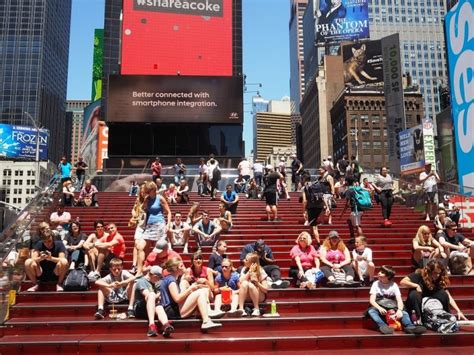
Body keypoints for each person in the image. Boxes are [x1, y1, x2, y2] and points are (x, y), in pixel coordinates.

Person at [160, 257, 223, 331]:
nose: (184, 267)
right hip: (172, 312)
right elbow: (177, 299)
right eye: (182, 265)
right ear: (176, 268)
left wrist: (193, 287)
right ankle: (206, 321)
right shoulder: (171, 280)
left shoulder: (172, 279)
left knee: (190, 286)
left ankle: (206, 314)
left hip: (174, 309)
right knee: (200, 293)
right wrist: (191, 289)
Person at [400, 259, 468, 323]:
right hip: (418, 302)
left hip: (431, 303)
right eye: (435, 273)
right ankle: (418, 318)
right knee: (414, 294)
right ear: (429, 271)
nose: (437, 275)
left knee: (443, 294)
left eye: (439, 273)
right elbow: (403, 282)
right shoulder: (419, 274)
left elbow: (448, 296)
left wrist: (458, 311)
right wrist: (416, 285)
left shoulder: (439, 279)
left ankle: (445, 316)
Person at [367, 265, 427, 335]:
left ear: (388, 276)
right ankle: (383, 326)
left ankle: (410, 327)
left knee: (404, 313)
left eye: (382, 272)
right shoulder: (375, 284)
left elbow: (399, 300)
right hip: (379, 306)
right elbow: (372, 300)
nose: (379, 273)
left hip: (392, 306)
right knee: (371, 311)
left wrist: (399, 310)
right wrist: (379, 308)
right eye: (379, 271)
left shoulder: (394, 285)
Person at [136, 181, 172, 274]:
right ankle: (139, 272)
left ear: (153, 189)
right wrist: (145, 201)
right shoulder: (147, 199)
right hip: (149, 226)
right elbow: (143, 209)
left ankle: (160, 271)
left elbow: (168, 212)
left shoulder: (160, 198)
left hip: (159, 224)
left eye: (148, 190)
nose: (147, 192)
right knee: (140, 247)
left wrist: (168, 225)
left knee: (158, 249)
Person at [24, 222, 68, 292]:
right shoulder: (39, 244)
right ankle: (35, 284)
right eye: (45, 241)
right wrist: (41, 258)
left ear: (53, 238)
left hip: (55, 272)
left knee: (64, 261)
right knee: (28, 261)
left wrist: (51, 258)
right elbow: (32, 259)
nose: (48, 243)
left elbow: (62, 259)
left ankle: (59, 284)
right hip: (41, 272)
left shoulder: (59, 244)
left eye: (49, 241)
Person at [134, 265, 175, 337]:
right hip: (139, 309)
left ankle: (166, 325)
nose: (159, 280)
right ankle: (151, 325)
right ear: (154, 276)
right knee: (152, 295)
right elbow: (147, 295)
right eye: (158, 278)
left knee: (159, 306)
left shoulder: (154, 284)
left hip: (150, 309)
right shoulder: (141, 281)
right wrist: (157, 295)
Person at [237, 252, 269, 316]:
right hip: (247, 295)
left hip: (259, 295)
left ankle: (256, 309)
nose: (244, 261)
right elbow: (240, 282)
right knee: (245, 283)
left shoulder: (260, 270)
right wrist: (250, 271)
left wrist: (257, 283)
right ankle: (241, 309)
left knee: (251, 285)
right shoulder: (244, 269)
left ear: (252, 263)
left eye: (246, 260)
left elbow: (266, 290)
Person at [128, 183, 147, 274]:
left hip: (148, 225)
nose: (143, 193)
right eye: (142, 191)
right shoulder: (138, 200)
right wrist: (134, 215)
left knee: (142, 246)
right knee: (136, 244)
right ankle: (134, 265)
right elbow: (134, 209)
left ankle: (142, 265)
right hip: (140, 224)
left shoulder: (150, 200)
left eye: (144, 191)